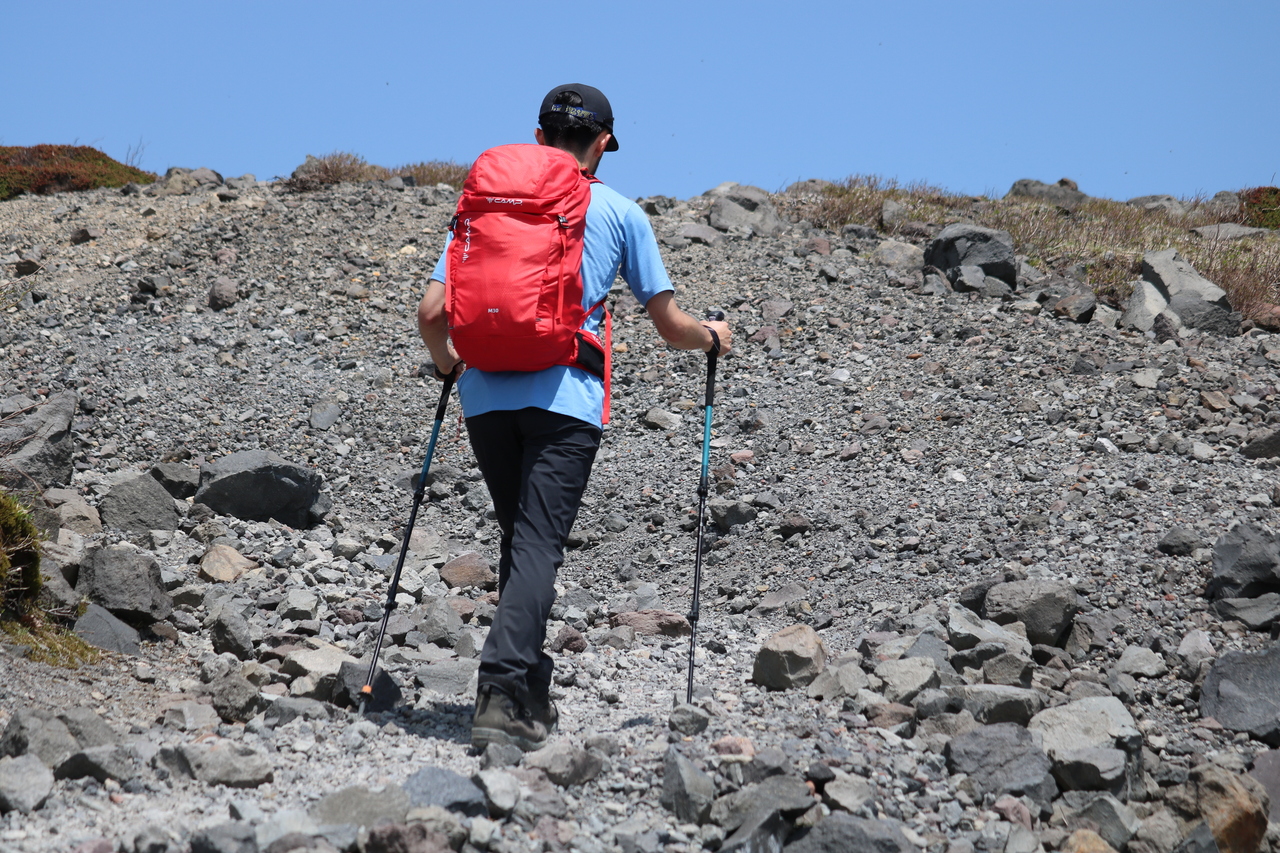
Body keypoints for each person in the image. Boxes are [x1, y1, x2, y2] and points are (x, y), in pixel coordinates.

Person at [417, 83, 732, 752]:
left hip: (485, 399)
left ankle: (529, 695)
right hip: (566, 401)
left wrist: (449, 365)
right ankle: (499, 687)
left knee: (519, 540)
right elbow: (670, 325)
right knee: (537, 547)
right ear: (603, 144)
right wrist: (712, 336)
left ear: (538, 139)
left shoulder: (481, 208)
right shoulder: (619, 211)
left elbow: (430, 312)